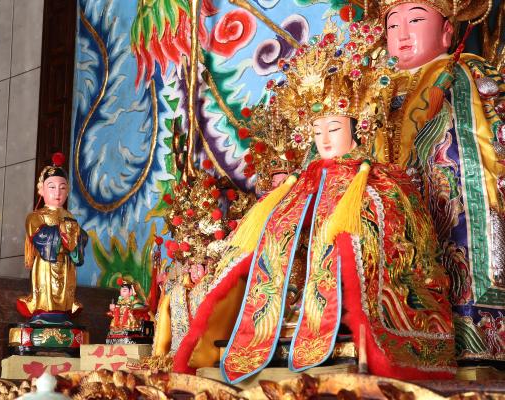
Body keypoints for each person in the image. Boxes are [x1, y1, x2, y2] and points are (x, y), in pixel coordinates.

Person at [172, 20, 456, 383]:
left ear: (356, 129)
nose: (324, 140)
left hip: (349, 296)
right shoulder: (300, 183)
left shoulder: (380, 183)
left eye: (334, 129)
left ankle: (345, 319)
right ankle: (286, 317)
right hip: (299, 296)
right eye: (317, 131)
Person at [375, 0, 505, 362]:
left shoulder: (463, 71)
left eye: (416, 20)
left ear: (447, 32)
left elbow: (490, 132)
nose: (403, 33)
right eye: (393, 25)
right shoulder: (373, 87)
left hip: (451, 192)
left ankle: (475, 328)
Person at [16, 153, 88, 318]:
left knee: (66, 295)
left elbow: (80, 239)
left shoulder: (70, 216)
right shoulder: (36, 216)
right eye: (52, 187)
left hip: (67, 264)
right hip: (46, 264)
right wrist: (63, 232)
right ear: (41, 189)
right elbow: (40, 237)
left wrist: (77, 237)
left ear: (68, 190)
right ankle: (42, 314)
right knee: (45, 296)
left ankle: (65, 311)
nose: (57, 193)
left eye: (62, 188)